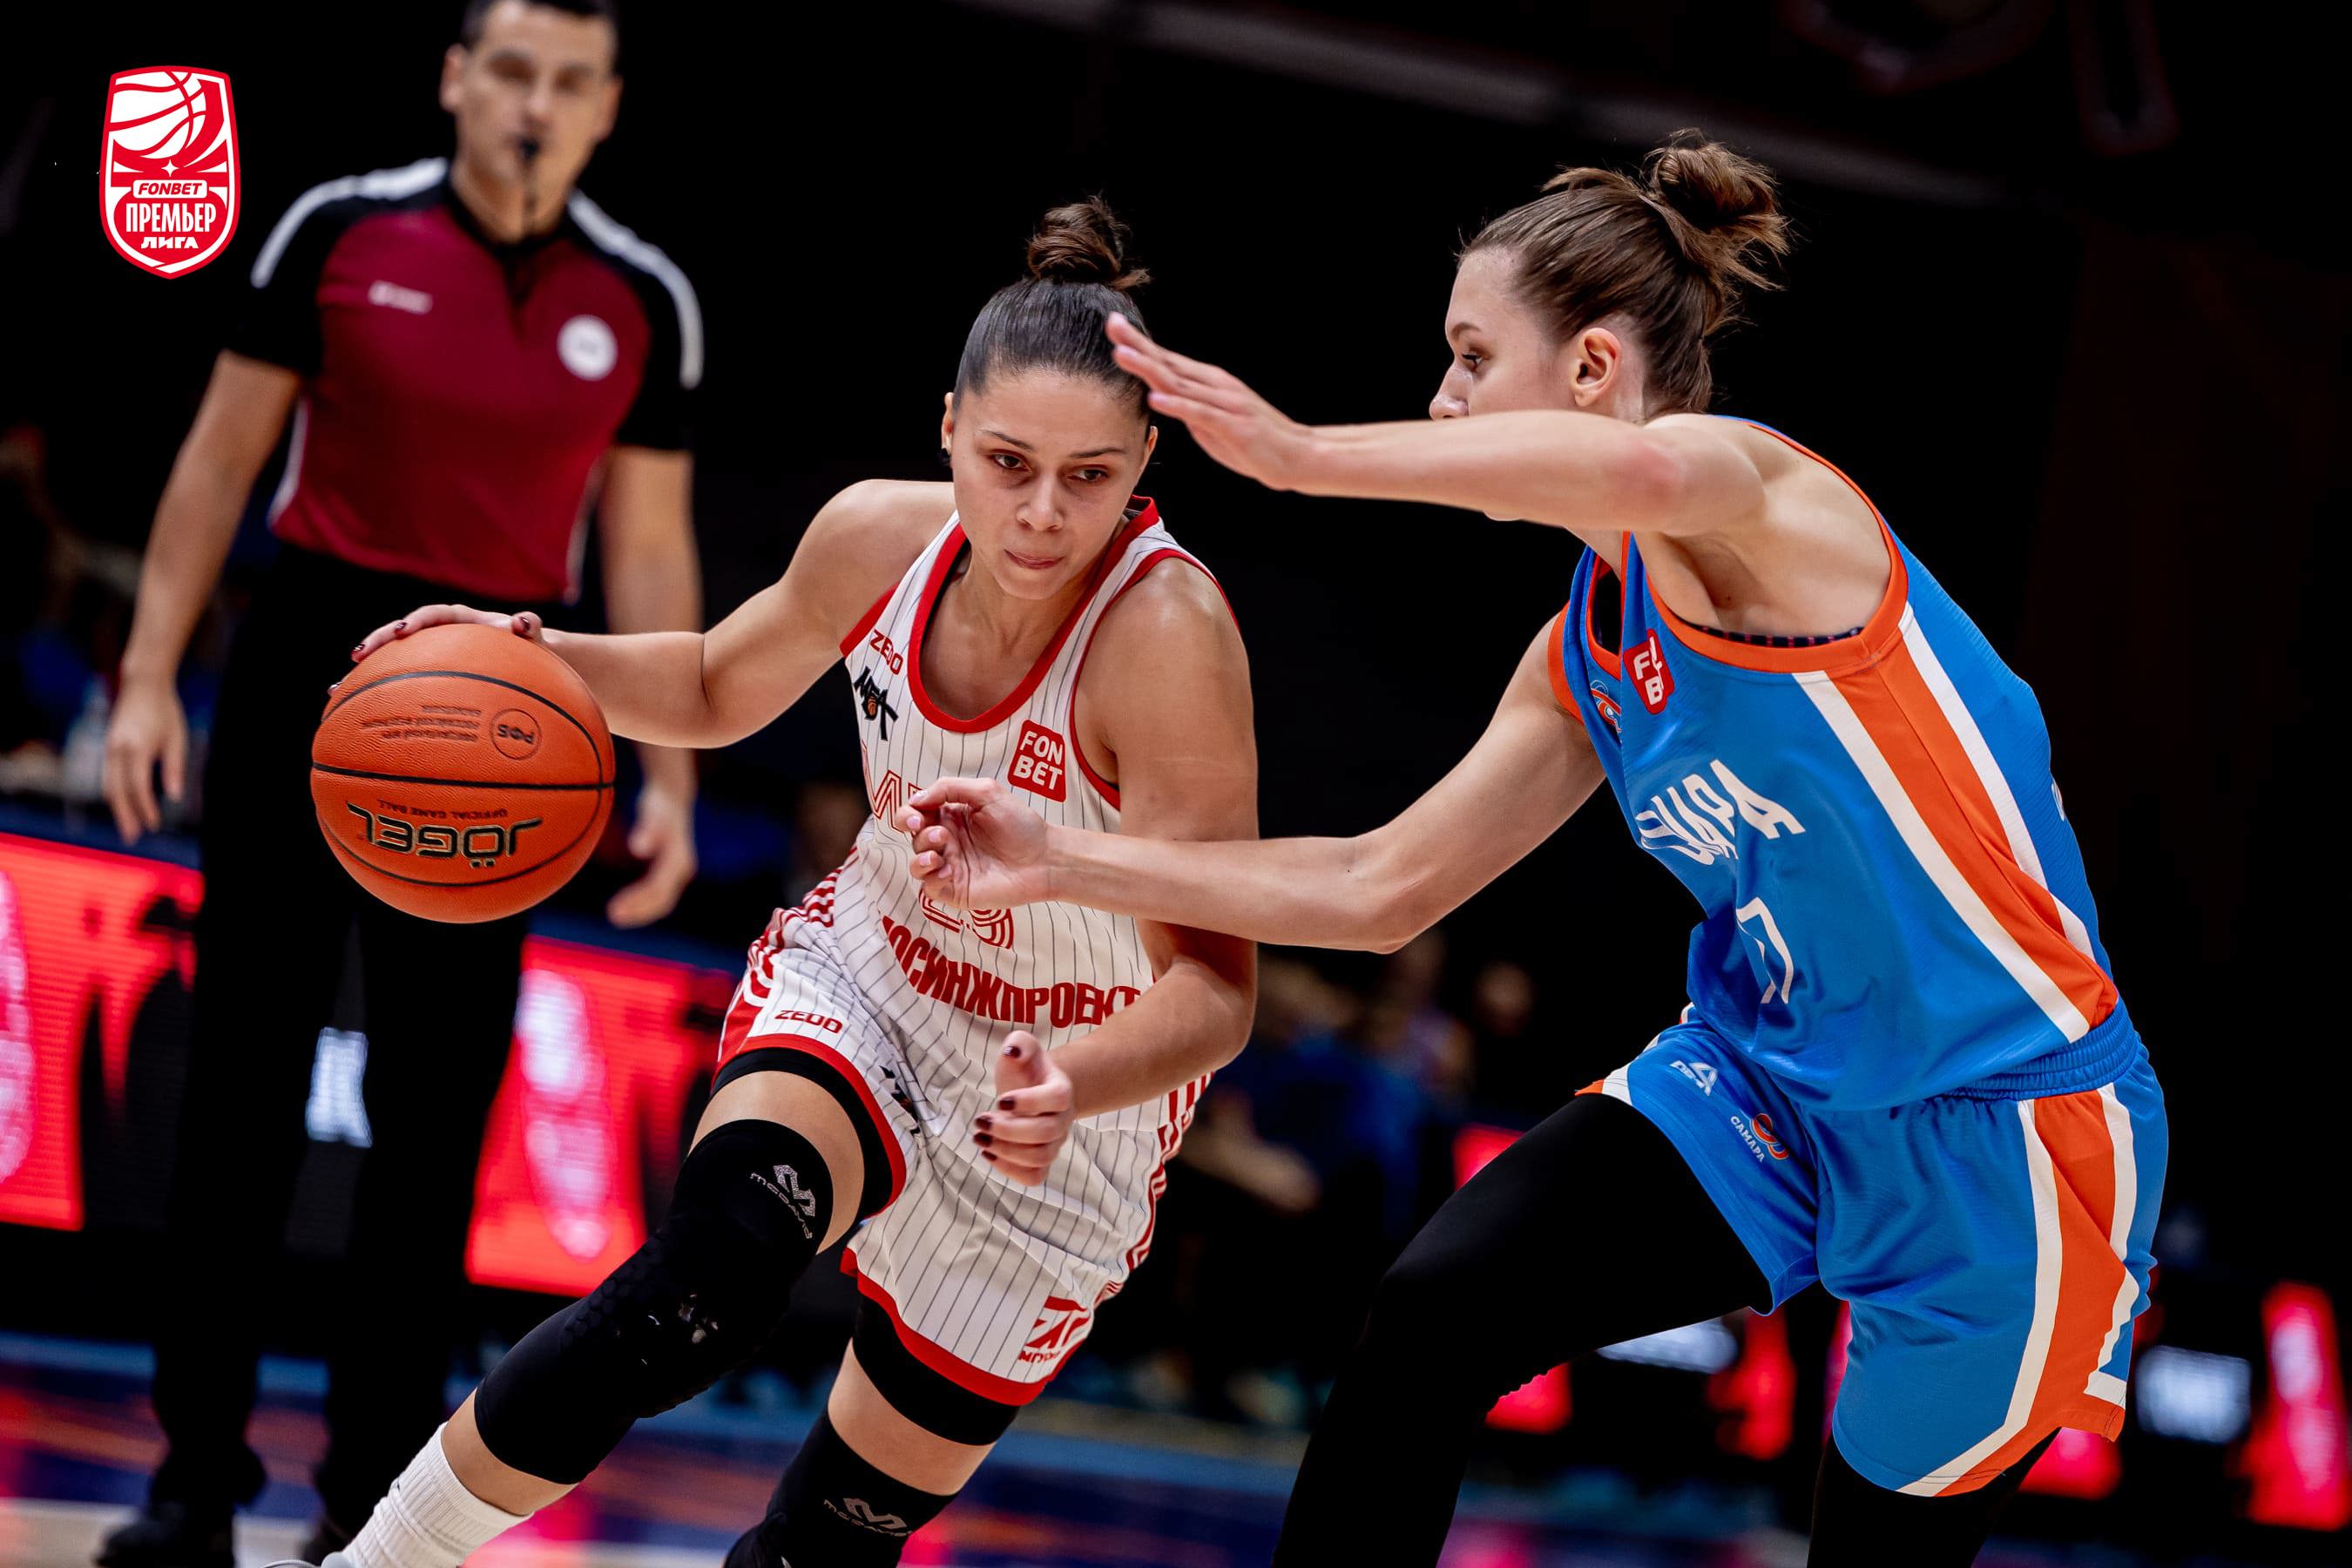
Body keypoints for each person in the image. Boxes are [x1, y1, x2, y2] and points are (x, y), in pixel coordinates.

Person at [903, 131, 2167, 1566]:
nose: (1442, 400)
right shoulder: (1584, 646)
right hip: (1769, 1080)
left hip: (2004, 1124)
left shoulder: (1761, 498)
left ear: (1590, 370)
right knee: (1436, 1312)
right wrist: (1064, 858)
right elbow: (1377, 888)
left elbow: (1646, 465)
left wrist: (1303, 457)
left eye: (1469, 359)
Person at [317, 198, 1257, 1568]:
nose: (1043, 514)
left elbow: (1216, 991)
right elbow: (712, 682)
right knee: (700, 1281)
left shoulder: (1169, 637)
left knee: (822, 1545)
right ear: (949, 429)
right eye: (1008, 462)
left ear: (1147, 462)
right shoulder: (876, 540)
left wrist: (1069, 1079)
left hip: (1075, 1085)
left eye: (1090, 476)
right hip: (880, 976)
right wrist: (526, 660)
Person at [94, 3, 702, 1563]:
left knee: (435, 1132)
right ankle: (192, 1482)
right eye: (511, 70)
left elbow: (646, 544)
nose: (535, 103)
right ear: (454, 78)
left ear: (607, 108)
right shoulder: (336, 230)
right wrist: (149, 676)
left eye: (569, 81)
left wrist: (673, 779)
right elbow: (218, 462)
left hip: (512, 697)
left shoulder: (645, 300)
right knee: (240, 1095)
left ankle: (370, 1505)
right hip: (314, 666)